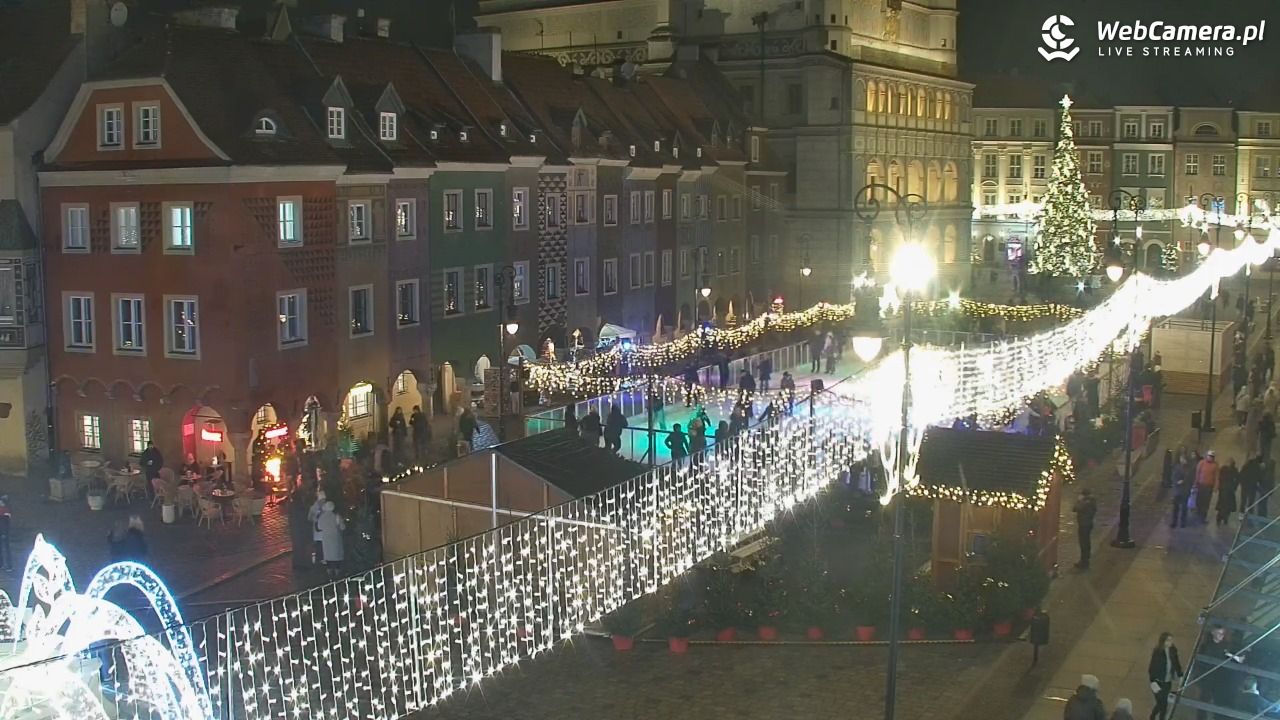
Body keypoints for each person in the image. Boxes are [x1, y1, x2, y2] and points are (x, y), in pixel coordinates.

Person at [1148, 632, 1183, 720]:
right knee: (1163, 704)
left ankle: (1152, 716)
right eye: (1168, 640)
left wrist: (1180, 675)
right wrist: (1152, 681)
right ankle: (1155, 717)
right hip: (1158, 682)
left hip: (1167, 682)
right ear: (1163, 641)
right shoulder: (1158, 652)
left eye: (1171, 640)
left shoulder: (1173, 650)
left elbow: (1176, 663)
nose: (1170, 642)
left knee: (1162, 703)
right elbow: (1152, 668)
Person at [316, 500, 345, 579]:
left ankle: (329, 573)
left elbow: (319, 527)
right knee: (336, 555)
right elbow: (342, 527)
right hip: (335, 538)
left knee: (328, 555)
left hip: (326, 539)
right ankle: (337, 573)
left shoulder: (322, 517)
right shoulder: (336, 516)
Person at [1074, 488, 1098, 570]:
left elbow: (1075, 508)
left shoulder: (1086, 502)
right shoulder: (1092, 501)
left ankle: (1084, 561)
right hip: (1088, 524)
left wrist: (1079, 500)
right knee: (1086, 542)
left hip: (1084, 524)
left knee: (1083, 543)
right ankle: (1086, 559)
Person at [1196, 451, 1221, 524]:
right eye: (1209, 456)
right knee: (1199, 501)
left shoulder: (1215, 466)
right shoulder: (1201, 463)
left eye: (1212, 457)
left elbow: (1217, 477)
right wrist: (1195, 483)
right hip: (1201, 485)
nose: (1210, 458)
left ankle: (1203, 517)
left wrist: (1216, 487)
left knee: (1206, 503)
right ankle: (1198, 514)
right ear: (1207, 456)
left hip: (1209, 487)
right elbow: (1197, 473)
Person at [1171, 455, 1192, 529]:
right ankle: (1174, 522)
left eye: (1184, 459)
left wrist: (1184, 481)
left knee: (1184, 508)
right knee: (1175, 508)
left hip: (1185, 491)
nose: (1182, 460)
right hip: (1178, 491)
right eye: (1181, 459)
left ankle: (1182, 522)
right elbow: (1173, 477)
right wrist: (1177, 482)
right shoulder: (1177, 467)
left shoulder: (1189, 469)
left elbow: (1189, 479)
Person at [1217, 458, 1239, 525]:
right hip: (1224, 488)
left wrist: (1234, 487)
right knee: (1222, 504)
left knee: (1227, 505)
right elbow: (1219, 477)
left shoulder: (1234, 470)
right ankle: (1220, 517)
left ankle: (1225, 517)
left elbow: (1237, 479)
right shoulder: (1223, 469)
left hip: (1229, 489)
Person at [308, 489, 328, 566]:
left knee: (323, 545)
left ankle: (322, 559)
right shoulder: (314, 507)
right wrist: (315, 518)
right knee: (319, 545)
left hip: (323, 531)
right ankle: (319, 559)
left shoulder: (326, 507)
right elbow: (309, 517)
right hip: (318, 532)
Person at [0, 497, 12, 572]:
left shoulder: (5, 511)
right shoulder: (5, 511)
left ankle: (8, 565)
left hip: (4, 532)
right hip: (3, 532)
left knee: (6, 549)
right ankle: (2, 564)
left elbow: (5, 523)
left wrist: (4, 533)